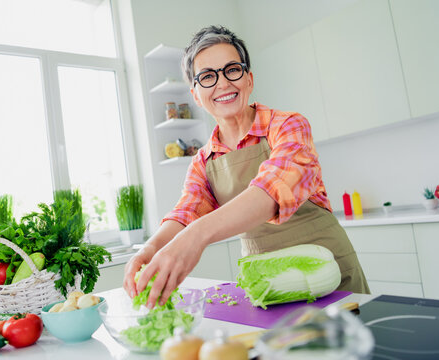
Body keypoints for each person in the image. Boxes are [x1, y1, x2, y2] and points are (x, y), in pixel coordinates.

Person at [123, 25, 369, 309]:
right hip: (267, 289)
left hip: (329, 278)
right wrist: (150, 249)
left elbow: (272, 191)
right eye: (207, 76)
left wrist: (197, 236)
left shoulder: (288, 126)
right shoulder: (203, 161)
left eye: (232, 70)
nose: (223, 83)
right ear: (195, 94)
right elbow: (186, 213)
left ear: (248, 79)